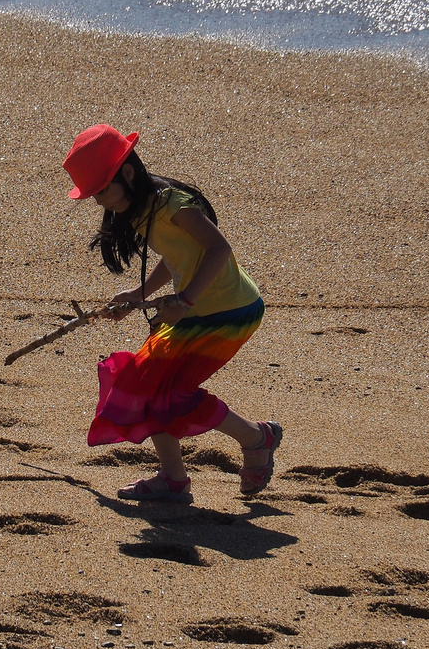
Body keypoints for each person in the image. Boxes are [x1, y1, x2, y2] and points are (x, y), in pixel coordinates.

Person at [61, 124, 282, 504]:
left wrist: (185, 301)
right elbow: (177, 254)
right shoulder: (137, 208)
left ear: (127, 173)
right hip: (191, 311)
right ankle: (173, 478)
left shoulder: (173, 204)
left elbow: (219, 248)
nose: (98, 202)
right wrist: (138, 293)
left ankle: (257, 438)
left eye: (100, 191)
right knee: (144, 380)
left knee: (174, 392)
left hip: (229, 312)